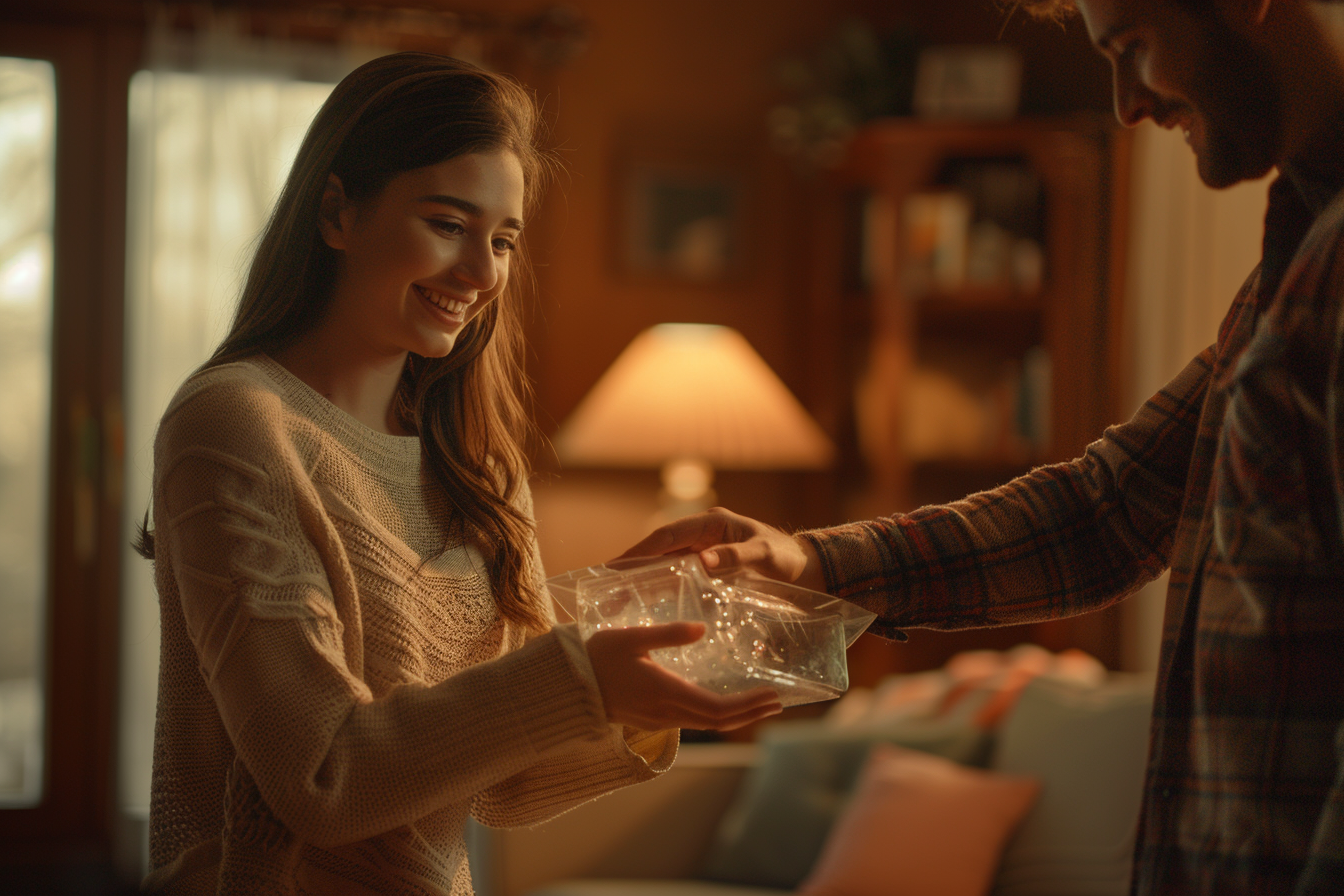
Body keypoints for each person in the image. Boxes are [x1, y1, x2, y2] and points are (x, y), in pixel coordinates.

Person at [619, 1, 1344, 892]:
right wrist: (810, 563)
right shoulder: (1294, 261)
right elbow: (1106, 512)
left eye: (1134, 48)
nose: (1125, 106)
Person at [137, 52, 782, 895]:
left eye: (504, 240)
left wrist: (627, 625)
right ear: (337, 212)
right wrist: (581, 672)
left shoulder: (474, 463)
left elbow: (505, 782)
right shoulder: (234, 422)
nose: (483, 275)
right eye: (447, 224)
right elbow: (324, 776)